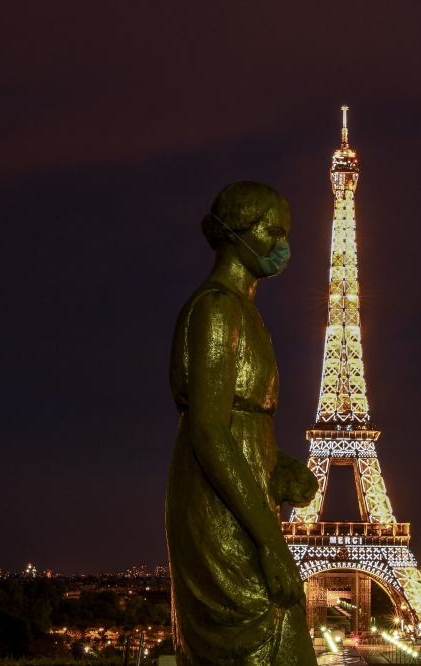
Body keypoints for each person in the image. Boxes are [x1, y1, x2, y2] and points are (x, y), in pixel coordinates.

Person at [167, 182, 319, 664]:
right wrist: (273, 545)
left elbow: (236, 425)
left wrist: (279, 462)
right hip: (221, 509)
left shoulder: (242, 310)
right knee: (278, 634)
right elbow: (210, 430)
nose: (282, 245)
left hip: (241, 492)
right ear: (236, 233)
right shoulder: (216, 308)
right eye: (271, 231)